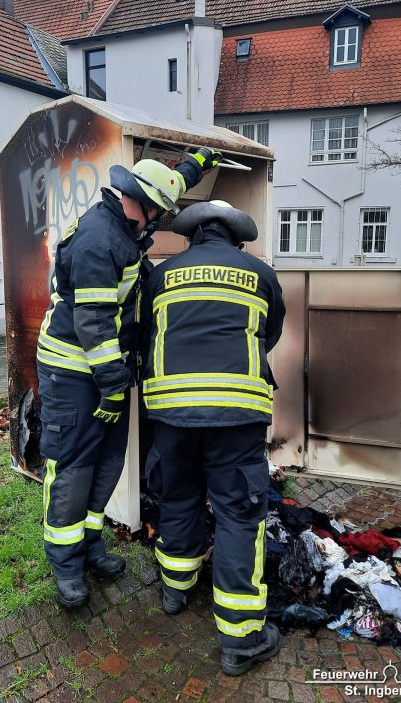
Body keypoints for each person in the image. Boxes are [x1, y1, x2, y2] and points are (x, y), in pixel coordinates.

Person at [37, 149, 222, 608]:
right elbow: (94, 326)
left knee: (107, 466)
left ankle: (91, 544)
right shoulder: (100, 242)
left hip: (106, 374)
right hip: (75, 372)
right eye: (158, 212)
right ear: (140, 202)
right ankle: (66, 564)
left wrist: (197, 164)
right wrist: (114, 387)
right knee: (74, 469)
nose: (159, 221)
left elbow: (170, 182)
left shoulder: (124, 224)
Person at [140, 199, 286, 676]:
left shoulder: (162, 275)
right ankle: (242, 640)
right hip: (236, 416)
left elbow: (148, 335)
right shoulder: (260, 273)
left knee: (178, 497)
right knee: (240, 515)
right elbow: (270, 333)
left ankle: (175, 590)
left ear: (191, 236)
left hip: (171, 414)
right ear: (236, 238)